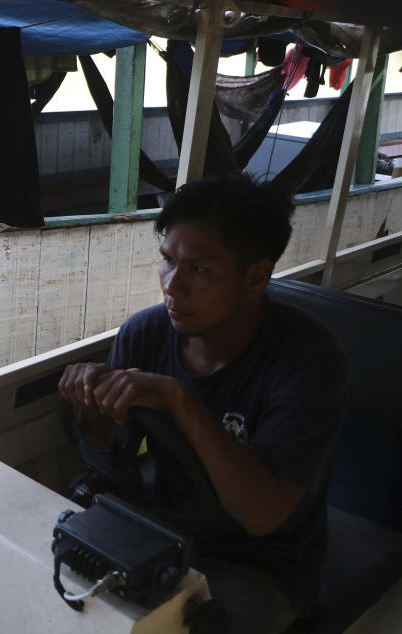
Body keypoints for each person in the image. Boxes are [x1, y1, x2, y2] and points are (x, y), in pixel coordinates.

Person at [58, 175, 348, 634]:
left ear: (255, 277)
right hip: (157, 534)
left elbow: (262, 516)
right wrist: (91, 404)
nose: (172, 287)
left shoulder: (307, 360)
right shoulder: (144, 334)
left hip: (260, 565)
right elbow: (110, 465)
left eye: (199, 271)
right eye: (168, 261)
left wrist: (178, 399)